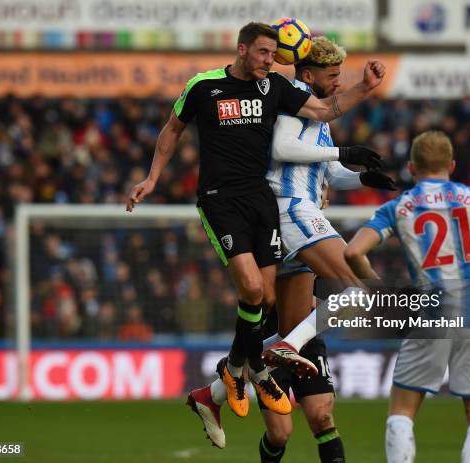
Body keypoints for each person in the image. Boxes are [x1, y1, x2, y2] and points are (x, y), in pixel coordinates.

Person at [126, 22, 386, 419]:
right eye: (264, 53)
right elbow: (174, 129)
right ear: (243, 49)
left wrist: (364, 99)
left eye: (274, 54)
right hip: (252, 204)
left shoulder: (278, 91)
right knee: (339, 290)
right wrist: (153, 177)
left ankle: (221, 383)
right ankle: (264, 365)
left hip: (266, 204)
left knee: (267, 304)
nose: (270, 61)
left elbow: (326, 123)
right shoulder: (211, 86)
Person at [184, 36, 392, 456]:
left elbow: (328, 168)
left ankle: (213, 392)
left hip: (298, 220)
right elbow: (283, 147)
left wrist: (363, 177)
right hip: (291, 212)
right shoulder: (289, 103)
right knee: (358, 288)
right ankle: (279, 352)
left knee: (293, 329)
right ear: (308, 75)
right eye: (332, 77)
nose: (338, 85)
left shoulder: (316, 116)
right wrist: (343, 150)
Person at [341, 130, 470, 463]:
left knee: (402, 410)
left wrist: (385, 295)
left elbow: (353, 252)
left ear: (412, 168)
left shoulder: (398, 207)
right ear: (452, 165)